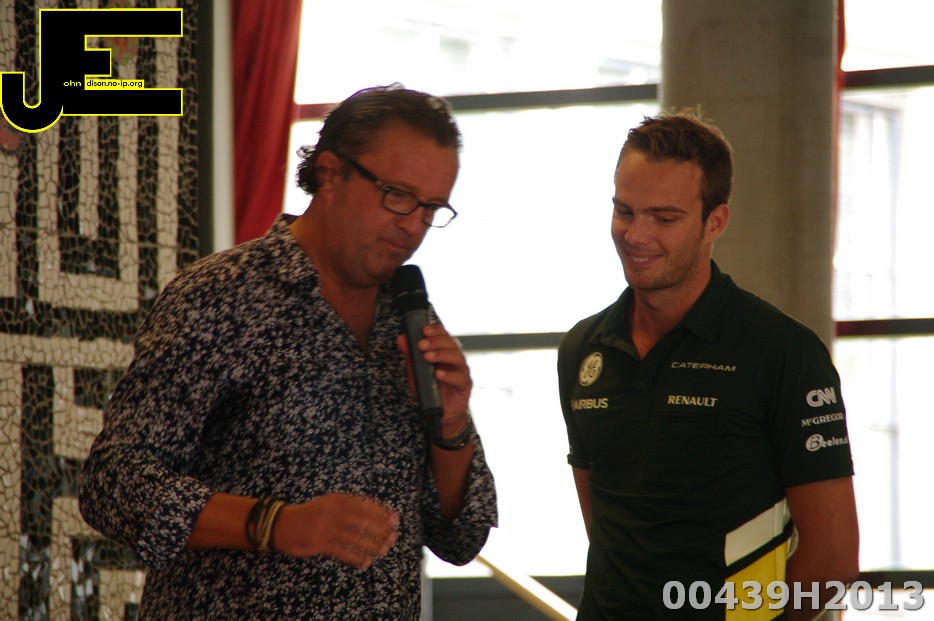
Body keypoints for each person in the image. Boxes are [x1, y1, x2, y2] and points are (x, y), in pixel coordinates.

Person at [79, 84, 497, 620]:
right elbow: (113, 482)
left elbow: (461, 538)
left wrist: (451, 427)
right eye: (397, 195)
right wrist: (274, 523)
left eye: (432, 207)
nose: (414, 225)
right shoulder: (221, 294)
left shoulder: (410, 315)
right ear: (330, 172)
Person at [557, 113, 858, 620]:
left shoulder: (782, 352)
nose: (636, 235)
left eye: (664, 218)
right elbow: (608, 532)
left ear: (715, 222)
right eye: (624, 211)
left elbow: (833, 561)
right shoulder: (583, 350)